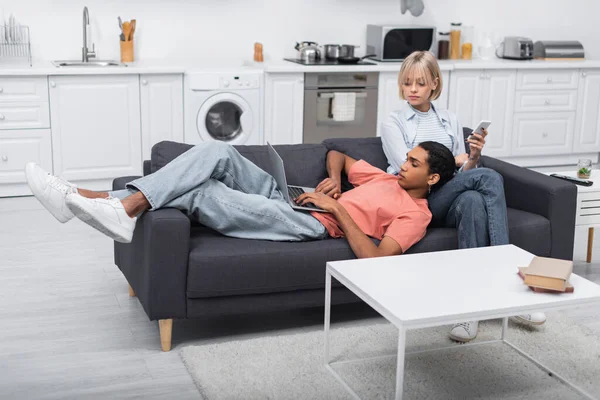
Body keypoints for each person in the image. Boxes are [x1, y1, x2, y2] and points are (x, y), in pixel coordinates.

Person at [25, 140, 455, 260]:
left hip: (312, 224)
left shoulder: (414, 213)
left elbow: (377, 260)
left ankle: (92, 200)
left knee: (203, 191)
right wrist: (336, 180)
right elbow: (335, 151)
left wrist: (338, 209)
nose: (403, 165)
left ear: (432, 177)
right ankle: (105, 203)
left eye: (413, 164)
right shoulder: (387, 177)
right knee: (217, 152)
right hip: (293, 197)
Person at [381, 51, 546, 342]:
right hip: (420, 199)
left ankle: (471, 308)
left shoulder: (448, 119)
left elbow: (463, 174)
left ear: (434, 83)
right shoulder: (393, 122)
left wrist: (471, 157)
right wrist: (454, 162)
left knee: (472, 200)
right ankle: (508, 279)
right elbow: (409, 172)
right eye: (407, 83)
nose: (412, 90)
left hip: (451, 195)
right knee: (490, 176)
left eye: (419, 83)